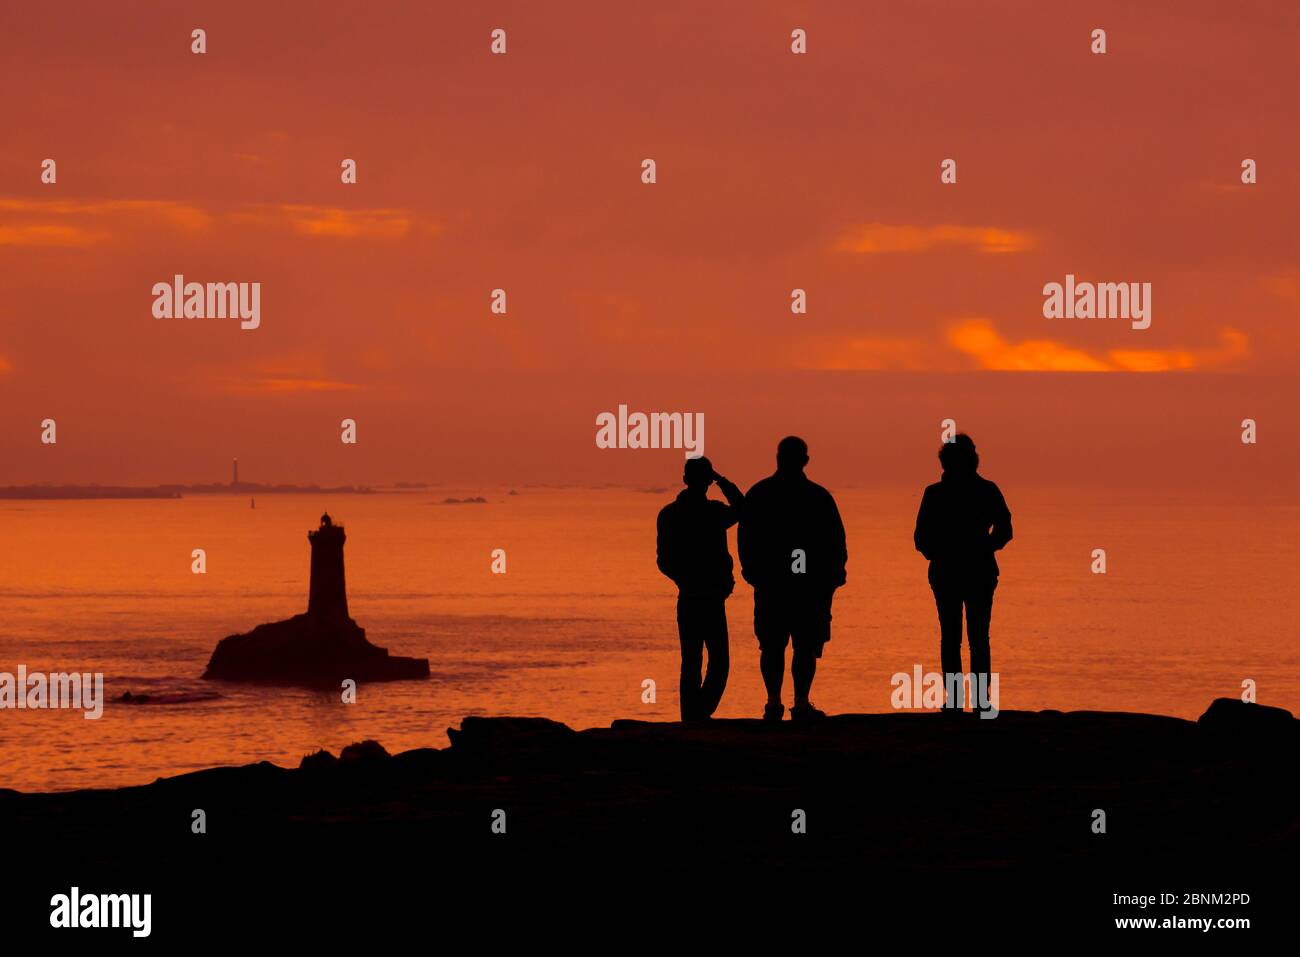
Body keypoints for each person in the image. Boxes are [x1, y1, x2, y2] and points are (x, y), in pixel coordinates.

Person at [738, 436, 847, 722]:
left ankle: (775, 703)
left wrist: (753, 572)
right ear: (805, 461)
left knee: (775, 644)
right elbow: (835, 541)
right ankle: (797, 703)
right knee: (803, 645)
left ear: (778, 457)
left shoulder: (760, 493)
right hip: (807, 586)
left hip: (774, 583)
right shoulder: (818, 496)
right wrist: (834, 575)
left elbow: (746, 537)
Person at [913, 434, 1012, 715]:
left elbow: (921, 538)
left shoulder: (935, 494)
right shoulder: (986, 490)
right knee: (978, 637)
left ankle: (956, 701)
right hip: (975, 570)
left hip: (949, 571)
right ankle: (980, 702)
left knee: (952, 637)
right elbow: (1005, 530)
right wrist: (984, 548)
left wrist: (940, 552)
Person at [656, 456, 744, 721]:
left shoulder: (670, 514)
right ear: (707, 481)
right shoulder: (714, 513)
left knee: (691, 661)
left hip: (691, 596)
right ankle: (699, 713)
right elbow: (742, 507)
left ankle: (692, 716)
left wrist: (683, 579)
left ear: (685, 480)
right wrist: (722, 480)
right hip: (709, 597)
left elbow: (664, 561)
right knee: (718, 661)